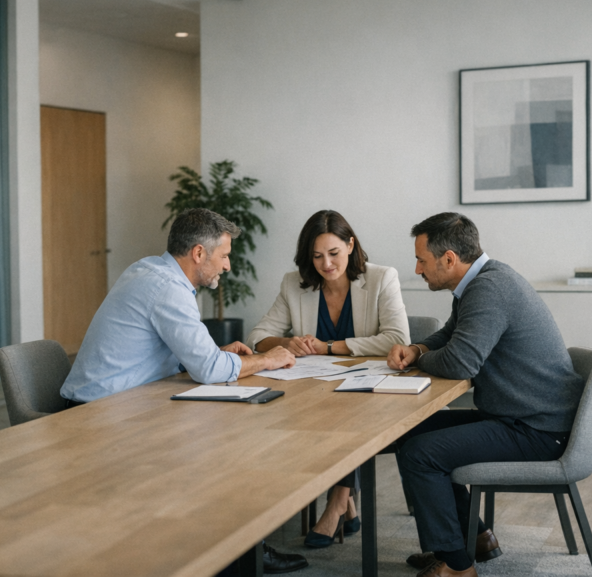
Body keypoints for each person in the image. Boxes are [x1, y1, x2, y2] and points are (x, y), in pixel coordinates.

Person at [60, 207, 307, 575]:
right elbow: (208, 371)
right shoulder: (167, 288)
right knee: (221, 448)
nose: (226, 266)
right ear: (198, 254)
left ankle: (236, 551)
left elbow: (176, 356)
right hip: (97, 418)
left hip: (122, 404)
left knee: (220, 440)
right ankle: (234, 556)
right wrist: (266, 361)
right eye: (223, 256)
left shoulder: (150, 270)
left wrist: (216, 353)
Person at [386, 213, 584, 577]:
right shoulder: (481, 281)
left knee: (421, 454)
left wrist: (423, 358)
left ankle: (458, 566)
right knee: (410, 432)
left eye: (422, 260)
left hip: (537, 429)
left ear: (449, 259)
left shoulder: (489, 289)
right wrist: (416, 349)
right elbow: (450, 335)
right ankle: (473, 539)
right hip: (522, 416)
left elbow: (460, 361)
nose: (417, 269)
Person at [247, 209, 410, 549]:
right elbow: (259, 336)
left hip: (369, 391)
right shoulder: (295, 284)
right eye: (317, 256)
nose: (327, 264)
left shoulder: (381, 278)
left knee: (350, 419)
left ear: (350, 245)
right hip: (313, 390)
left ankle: (336, 504)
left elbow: (397, 338)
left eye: (334, 253)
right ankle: (349, 504)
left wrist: (329, 347)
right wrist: (287, 342)